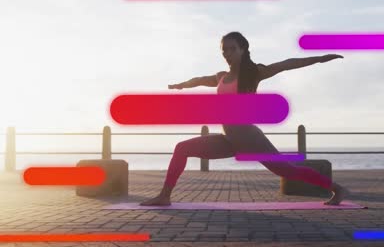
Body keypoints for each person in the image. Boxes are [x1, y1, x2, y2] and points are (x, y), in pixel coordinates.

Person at [140, 31, 349, 206]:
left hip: (250, 139)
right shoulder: (221, 76)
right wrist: (182, 85)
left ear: (243, 49)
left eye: (232, 49)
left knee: (288, 171)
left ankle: (337, 189)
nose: (228, 54)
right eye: (224, 50)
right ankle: (165, 196)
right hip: (228, 140)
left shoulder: (254, 73)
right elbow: (200, 80)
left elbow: (287, 64)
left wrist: (320, 58)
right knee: (182, 148)